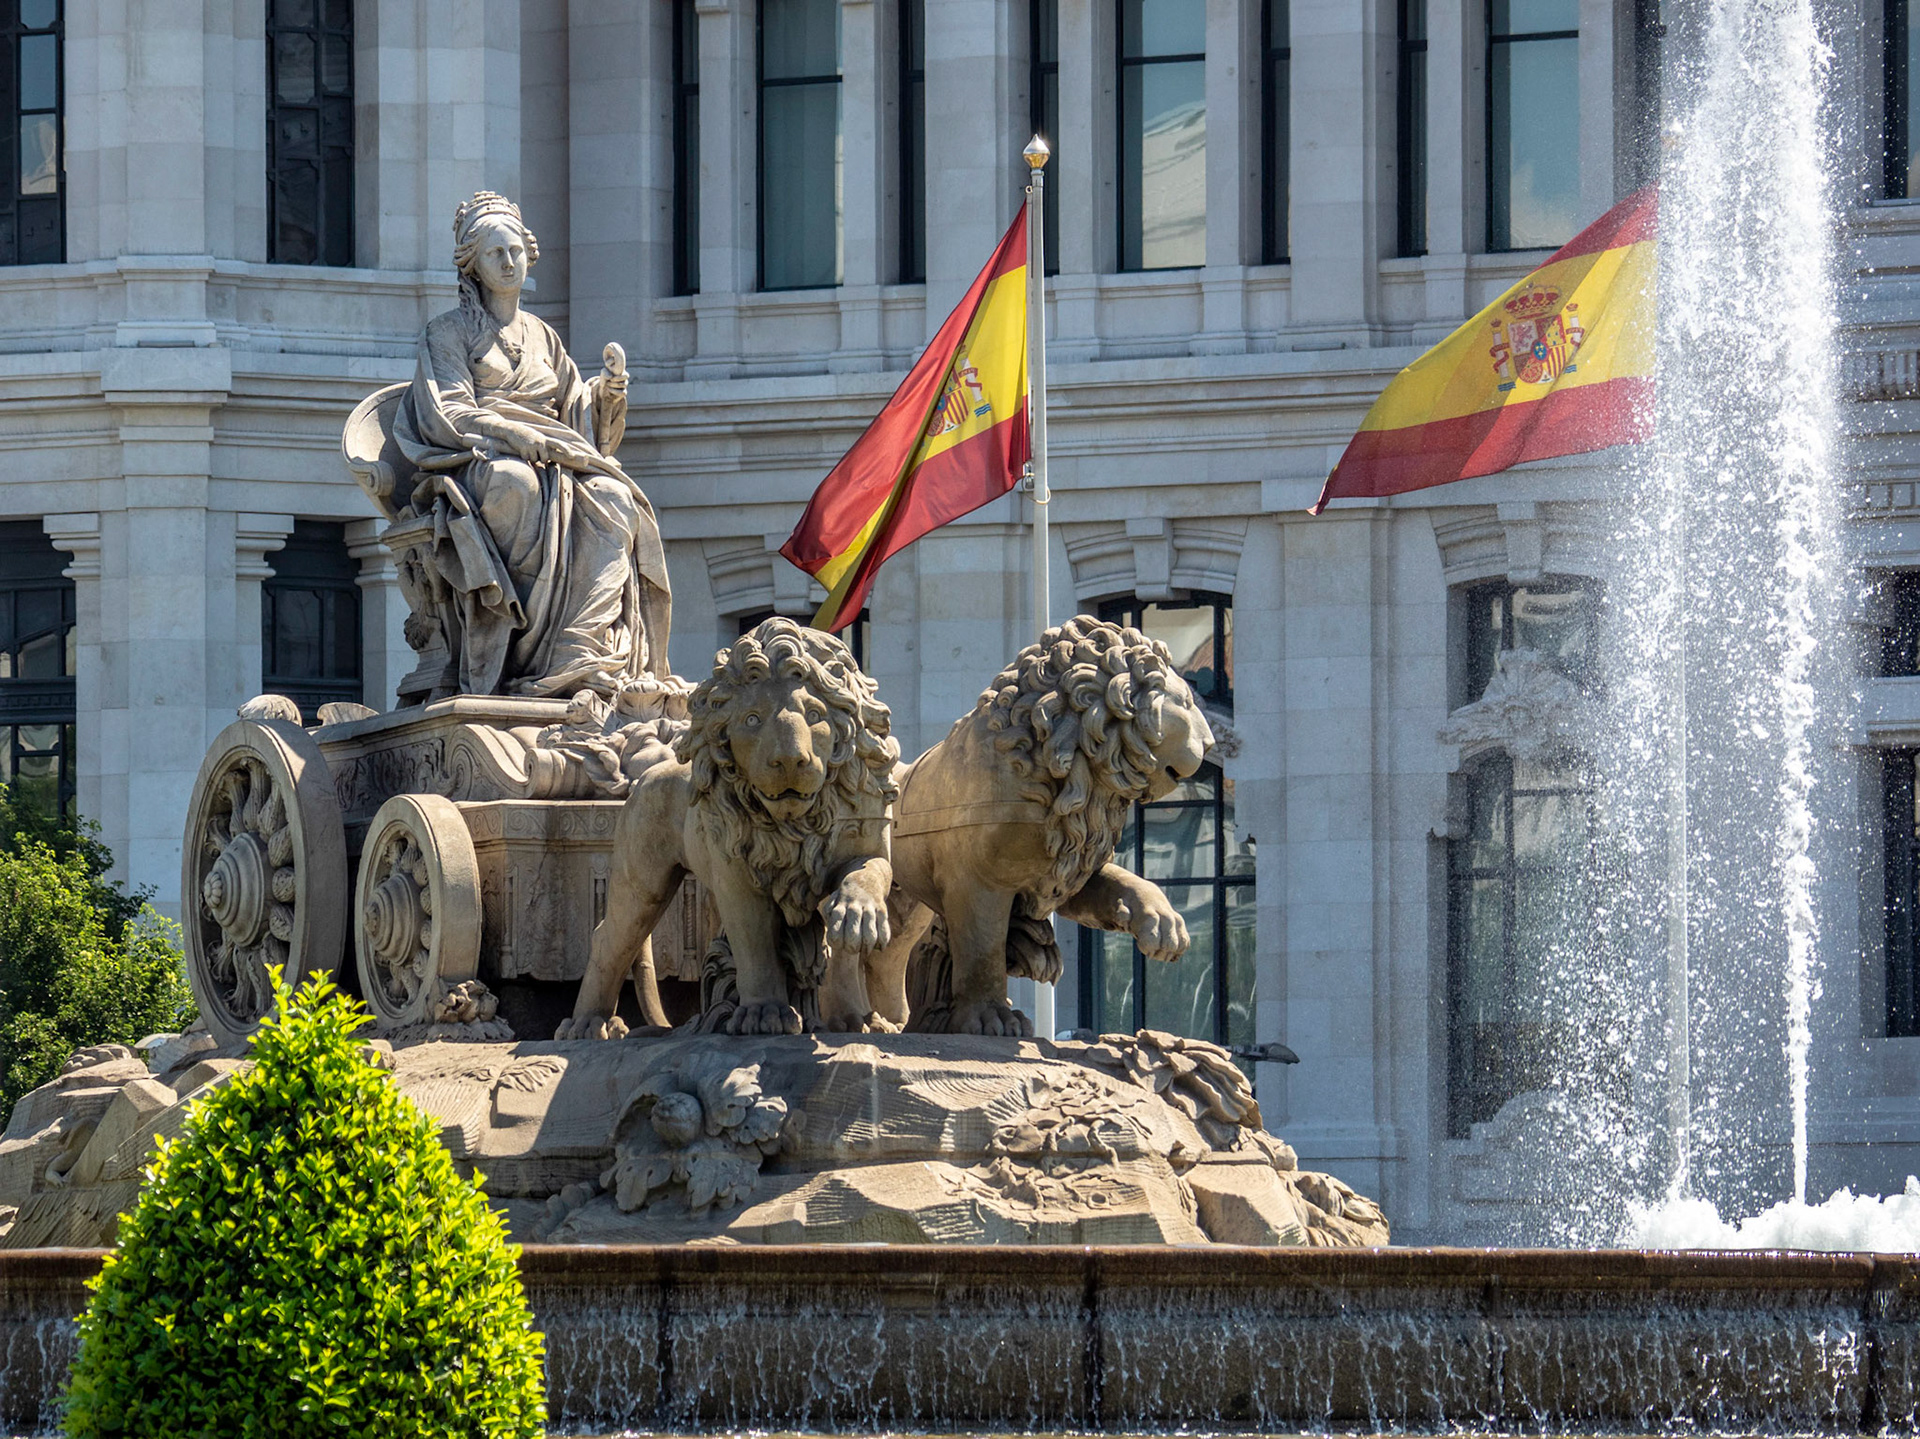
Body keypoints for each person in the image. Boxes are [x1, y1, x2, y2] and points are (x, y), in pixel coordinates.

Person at [395, 191, 672, 697]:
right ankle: (517, 652)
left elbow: (575, 414)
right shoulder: (446, 333)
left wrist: (607, 392)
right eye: (494, 253)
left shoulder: (543, 336)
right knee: (515, 485)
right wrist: (511, 433)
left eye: (515, 251)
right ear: (472, 265)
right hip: (480, 461)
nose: (508, 262)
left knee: (616, 499)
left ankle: (576, 646)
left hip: (556, 458)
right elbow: (449, 412)